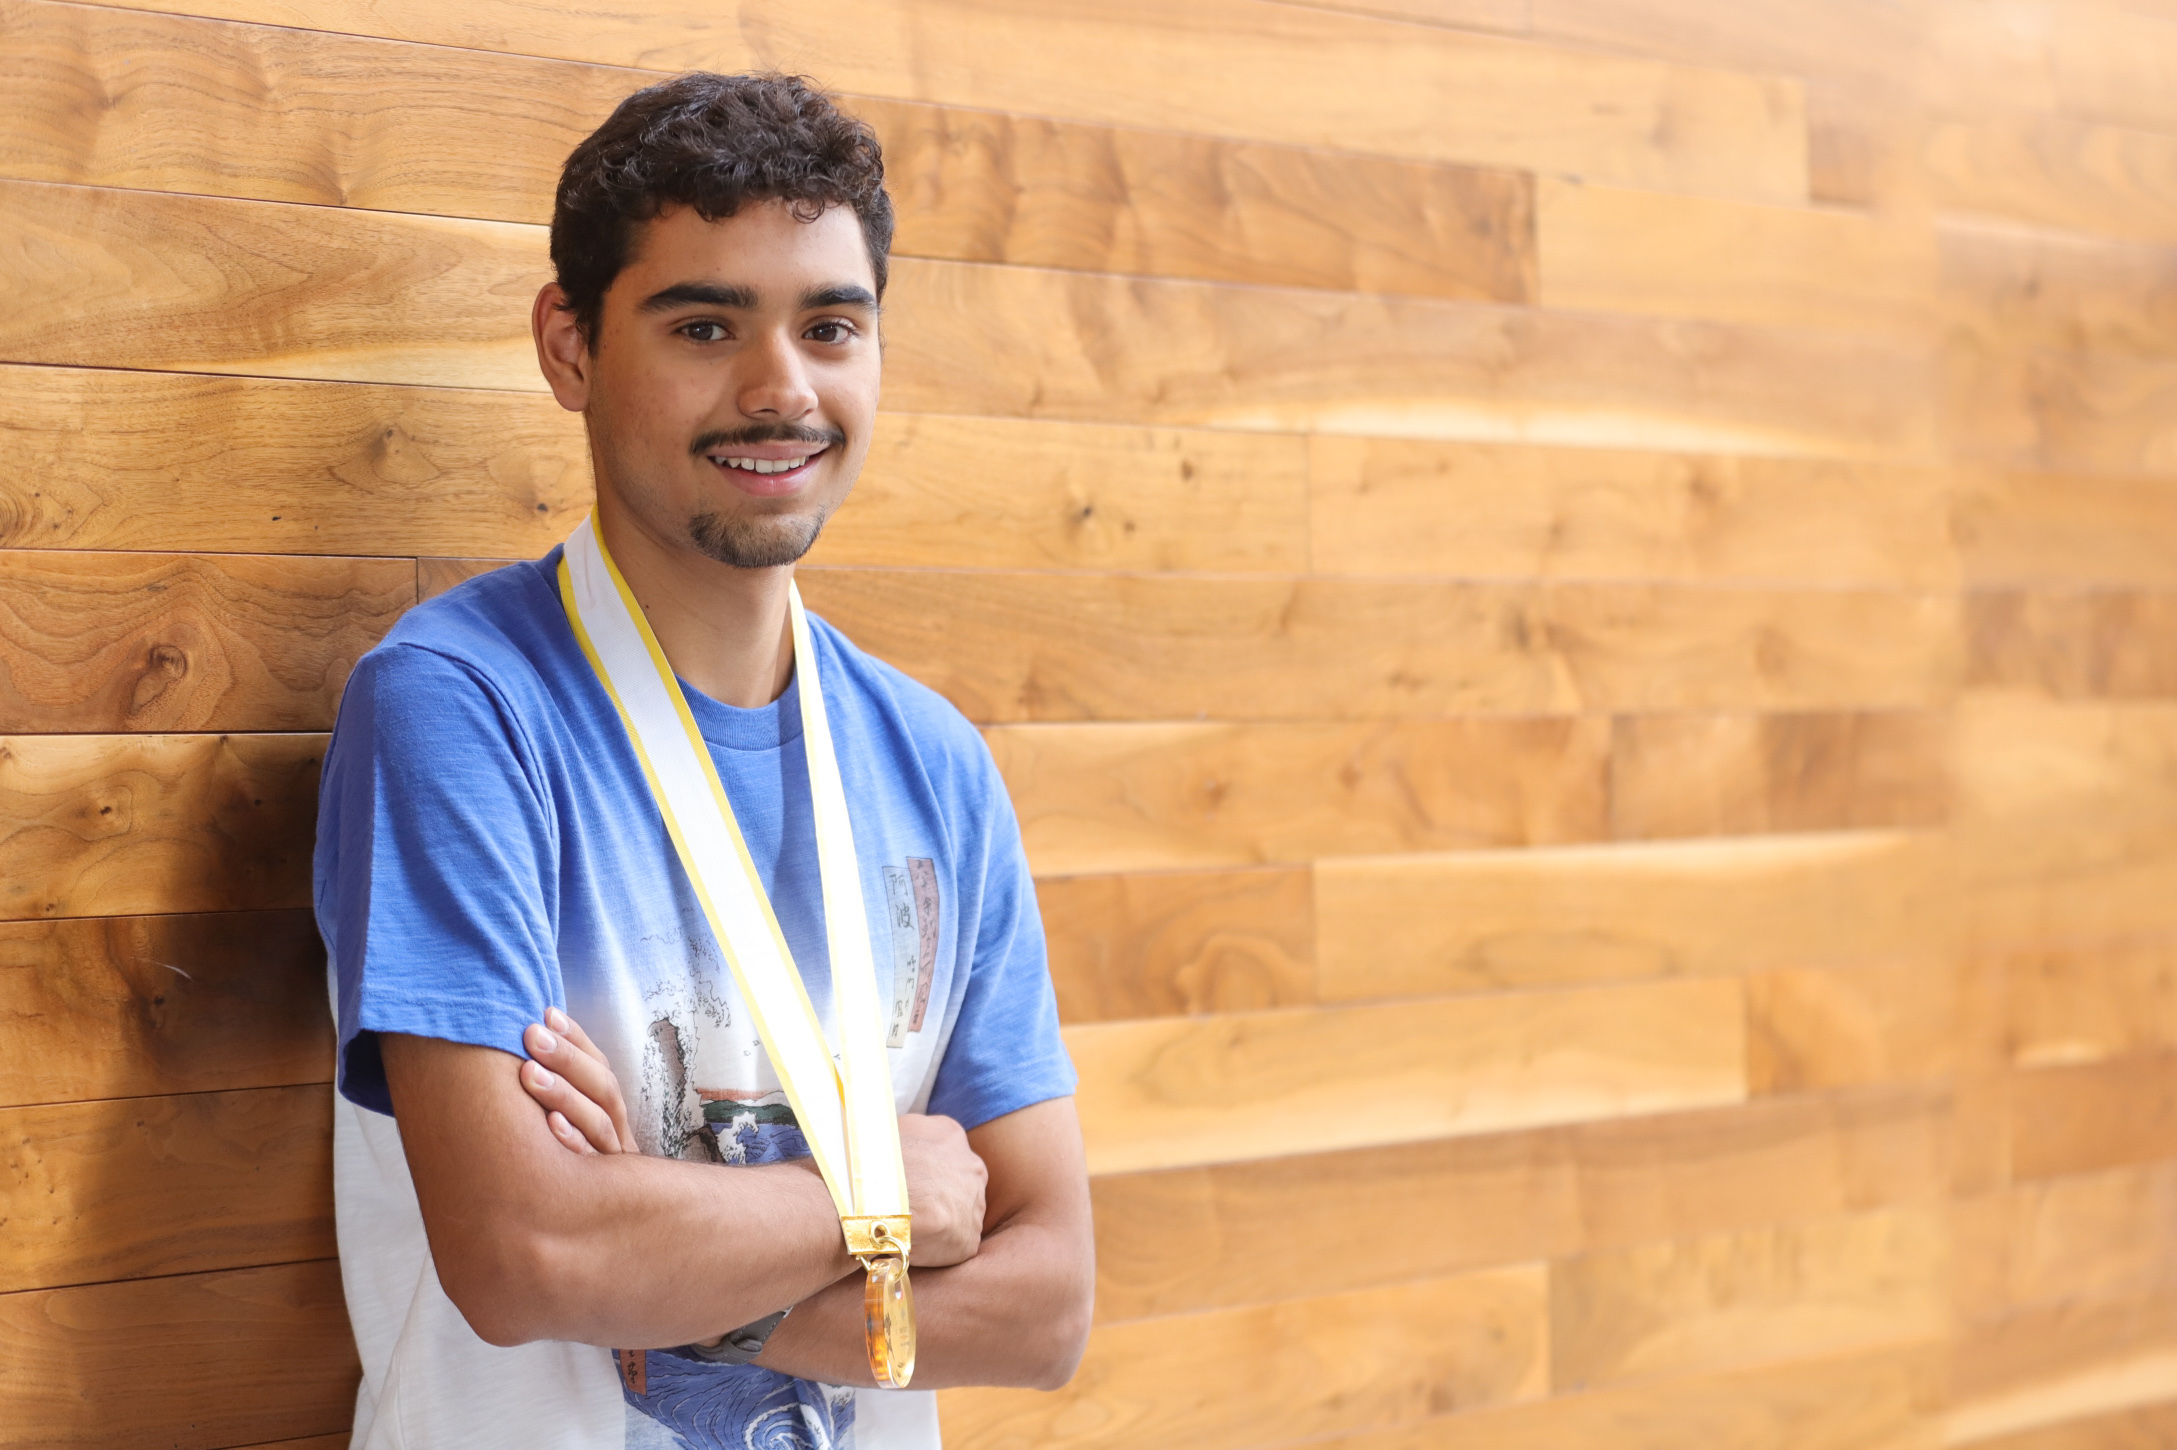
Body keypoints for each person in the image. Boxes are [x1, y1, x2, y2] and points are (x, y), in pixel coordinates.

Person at [313, 71, 1093, 1450]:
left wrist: (673, 1271)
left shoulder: (932, 759)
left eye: (829, 326)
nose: (779, 388)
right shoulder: (460, 706)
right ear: (570, 348)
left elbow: (1047, 1307)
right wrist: (884, 1197)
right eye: (704, 326)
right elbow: (524, 1253)